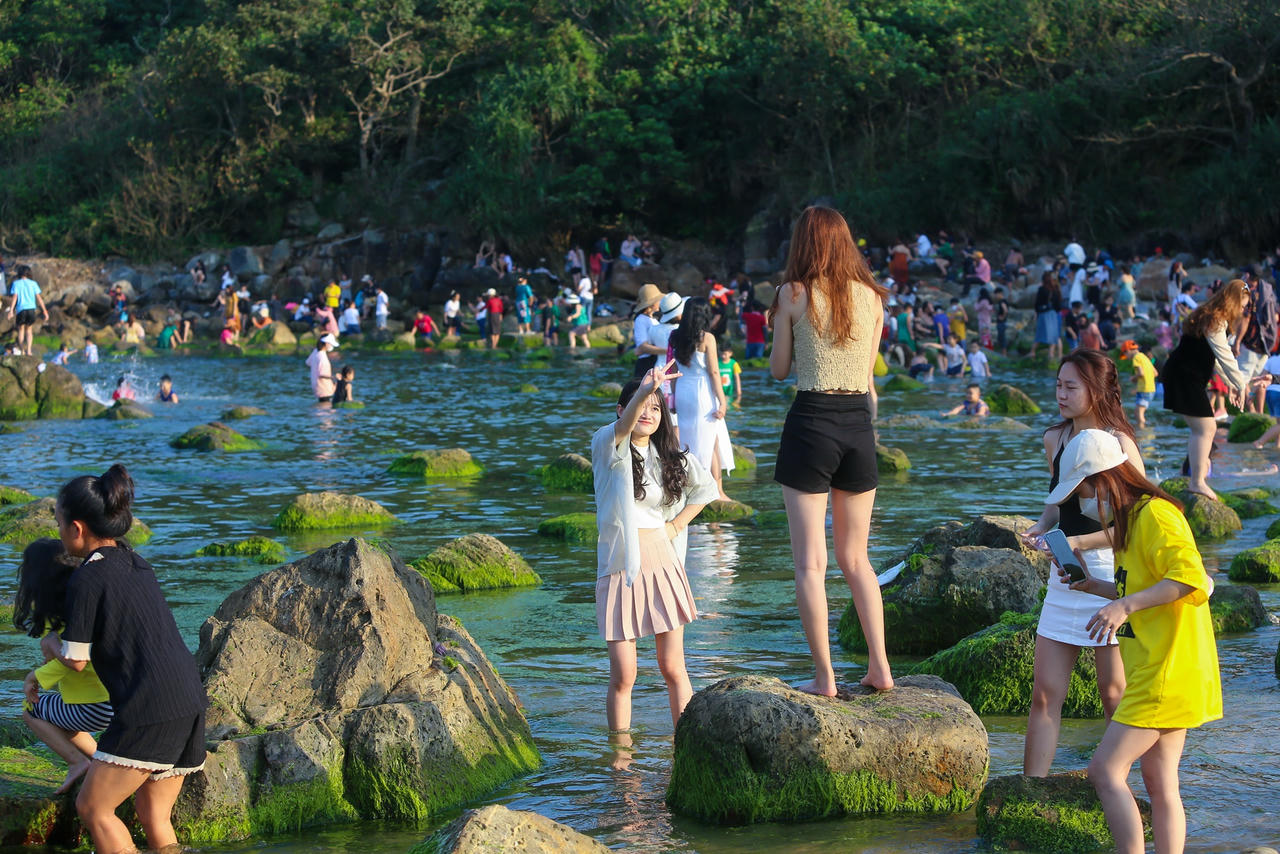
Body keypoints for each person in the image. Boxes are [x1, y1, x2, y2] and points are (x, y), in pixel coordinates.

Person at [1050, 434, 1221, 854]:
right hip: (1162, 667)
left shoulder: (1156, 515)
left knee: (1105, 772)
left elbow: (1190, 579)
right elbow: (1143, 588)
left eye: (1083, 491)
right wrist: (1094, 586)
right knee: (1161, 783)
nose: (1085, 503)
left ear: (1105, 479)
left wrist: (1124, 606)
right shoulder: (1132, 521)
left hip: (1165, 670)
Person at [42, 466, 207, 854]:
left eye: (59, 524)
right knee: (154, 814)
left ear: (77, 529)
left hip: (148, 709)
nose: (59, 533)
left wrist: (50, 645)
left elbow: (76, 659)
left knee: (93, 808)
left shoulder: (87, 578)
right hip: (189, 701)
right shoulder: (136, 561)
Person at [769, 206, 893, 696]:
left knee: (810, 564)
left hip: (812, 424)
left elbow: (780, 369)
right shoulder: (874, 297)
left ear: (804, 243)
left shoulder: (792, 293)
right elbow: (867, 374)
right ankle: (880, 668)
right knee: (857, 559)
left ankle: (824, 678)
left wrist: (781, 322)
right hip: (858, 426)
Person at [1020, 350, 1145, 776]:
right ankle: (1031, 789)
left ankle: (1117, 785)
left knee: (1114, 693)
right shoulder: (1054, 439)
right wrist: (1042, 527)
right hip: (1065, 575)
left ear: (1097, 390)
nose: (1061, 394)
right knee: (1044, 694)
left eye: (1071, 386)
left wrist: (1078, 542)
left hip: (1110, 576)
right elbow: (1058, 502)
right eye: (1058, 385)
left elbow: (1136, 525)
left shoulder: (1120, 444)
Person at [591, 364, 718, 731]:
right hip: (619, 563)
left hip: (663, 561)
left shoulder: (668, 457)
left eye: (656, 407)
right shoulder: (607, 445)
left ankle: (686, 744)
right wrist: (647, 389)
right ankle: (621, 757)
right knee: (624, 675)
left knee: (673, 667)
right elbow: (623, 427)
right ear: (622, 409)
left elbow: (706, 489)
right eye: (640, 405)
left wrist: (675, 526)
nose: (648, 412)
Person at [15, 538, 115, 794]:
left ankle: (77, 762)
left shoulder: (65, 616)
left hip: (93, 707)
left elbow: (75, 661)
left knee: (32, 709)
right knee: (59, 711)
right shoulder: (85, 604)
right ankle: (100, 761)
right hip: (113, 701)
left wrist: (35, 676)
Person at [1159, 279, 1251, 500]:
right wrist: (1241, 384)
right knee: (1206, 428)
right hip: (1184, 376)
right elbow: (1225, 355)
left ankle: (1191, 475)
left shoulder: (1208, 315)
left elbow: (1216, 359)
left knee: (1202, 428)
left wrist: (1232, 383)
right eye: (1242, 305)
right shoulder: (1215, 321)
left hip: (1183, 374)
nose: (1242, 310)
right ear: (1233, 301)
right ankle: (1197, 482)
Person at [670, 298, 733, 500]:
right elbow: (714, 372)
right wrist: (723, 401)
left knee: (687, 441)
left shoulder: (674, 336)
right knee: (711, 441)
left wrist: (673, 397)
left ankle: (689, 486)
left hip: (682, 390)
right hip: (702, 392)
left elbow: (673, 369)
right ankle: (717, 491)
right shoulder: (707, 338)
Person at [7, 265, 49, 356]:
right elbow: (39, 298)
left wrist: (11, 311)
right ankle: (29, 351)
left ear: (19, 273)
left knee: (21, 330)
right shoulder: (33, 283)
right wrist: (45, 311)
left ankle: (22, 351)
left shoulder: (16, 283)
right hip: (31, 309)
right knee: (29, 330)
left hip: (21, 310)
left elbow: (14, 297)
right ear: (29, 273)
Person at [631, 283, 665, 377]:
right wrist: (667, 351)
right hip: (646, 364)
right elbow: (643, 347)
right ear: (652, 303)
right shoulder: (641, 320)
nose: (660, 301)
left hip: (654, 361)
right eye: (658, 300)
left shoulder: (653, 319)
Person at [1119, 340, 1156, 428]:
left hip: (1144, 389)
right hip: (1151, 389)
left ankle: (1143, 431)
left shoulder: (1136, 358)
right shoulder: (1144, 356)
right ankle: (1142, 428)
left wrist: (1133, 378)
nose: (1127, 358)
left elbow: (1141, 373)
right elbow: (1155, 373)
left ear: (1127, 351)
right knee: (1138, 412)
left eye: (1125, 355)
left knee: (1139, 413)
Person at [1032, 272, 1063, 361]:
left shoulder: (1042, 289)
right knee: (1054, 336)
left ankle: (1032, 352)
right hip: (1053, 314)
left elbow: (1037, 304)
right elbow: (1058, 306)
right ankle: (1051, 354)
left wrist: (1038, 312)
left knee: (1039, 335)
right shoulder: (1056, 290)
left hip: (1043, 314)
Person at [306, 334, 338, 402]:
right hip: (325, 389)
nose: (331, 346)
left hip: (316, 386)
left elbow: (308, 363)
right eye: (331, 344)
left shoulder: (316, 351)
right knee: (326, 406)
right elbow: (322, 374)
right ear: (326, 343)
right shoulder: (322, 357)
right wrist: (334, 377)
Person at [718, 339, 742, 407]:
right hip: (719, 390)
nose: (723, 356)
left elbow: (737, 378)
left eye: (725, 354)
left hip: (729, 390)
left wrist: (738, 390)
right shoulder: (717, 362)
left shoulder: (733, 363)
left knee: (730, 406)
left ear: (730, 353)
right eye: (721, 354)